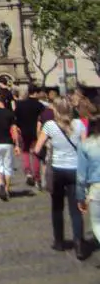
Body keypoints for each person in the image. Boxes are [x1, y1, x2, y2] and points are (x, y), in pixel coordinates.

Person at [33, 96, 86, 257]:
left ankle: (59, 241)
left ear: (55, 110)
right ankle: (79, 243)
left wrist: (48, 153)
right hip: (75, 170)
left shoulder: (50, 125)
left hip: (57, 170)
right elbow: (83, 150)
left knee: (57, 207)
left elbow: (37, 149)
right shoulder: (79, 125)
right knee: (75, 210)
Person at [77, 111, 100, 259]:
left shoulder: (85, 146)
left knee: (97, 223)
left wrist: (80, 197)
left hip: (96, 189)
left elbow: (81, 176)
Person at [15, 85, 45, 188]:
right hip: (36, 132)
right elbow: (42, 120)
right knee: (35, 153)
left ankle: (28, 172)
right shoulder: (40, 106)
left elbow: (16, 119)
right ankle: (37, 177)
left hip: (23, 131)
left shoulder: (20, 104)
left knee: (25, 152)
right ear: (36, 93)